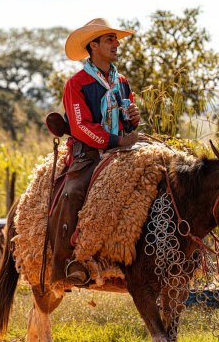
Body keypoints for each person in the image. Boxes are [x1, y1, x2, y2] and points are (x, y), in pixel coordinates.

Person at [50, 18, 144, 286]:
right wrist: (116, 141)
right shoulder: (76, 83)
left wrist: (134, 119)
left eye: (115, 39)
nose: (116, 44)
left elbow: (128, 117)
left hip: (124, 146)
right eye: (110, 39)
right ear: (94, 45)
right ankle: (66, 263)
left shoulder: (121, 81)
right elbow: (79, 127)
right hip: (88, 152)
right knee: (74, 191)